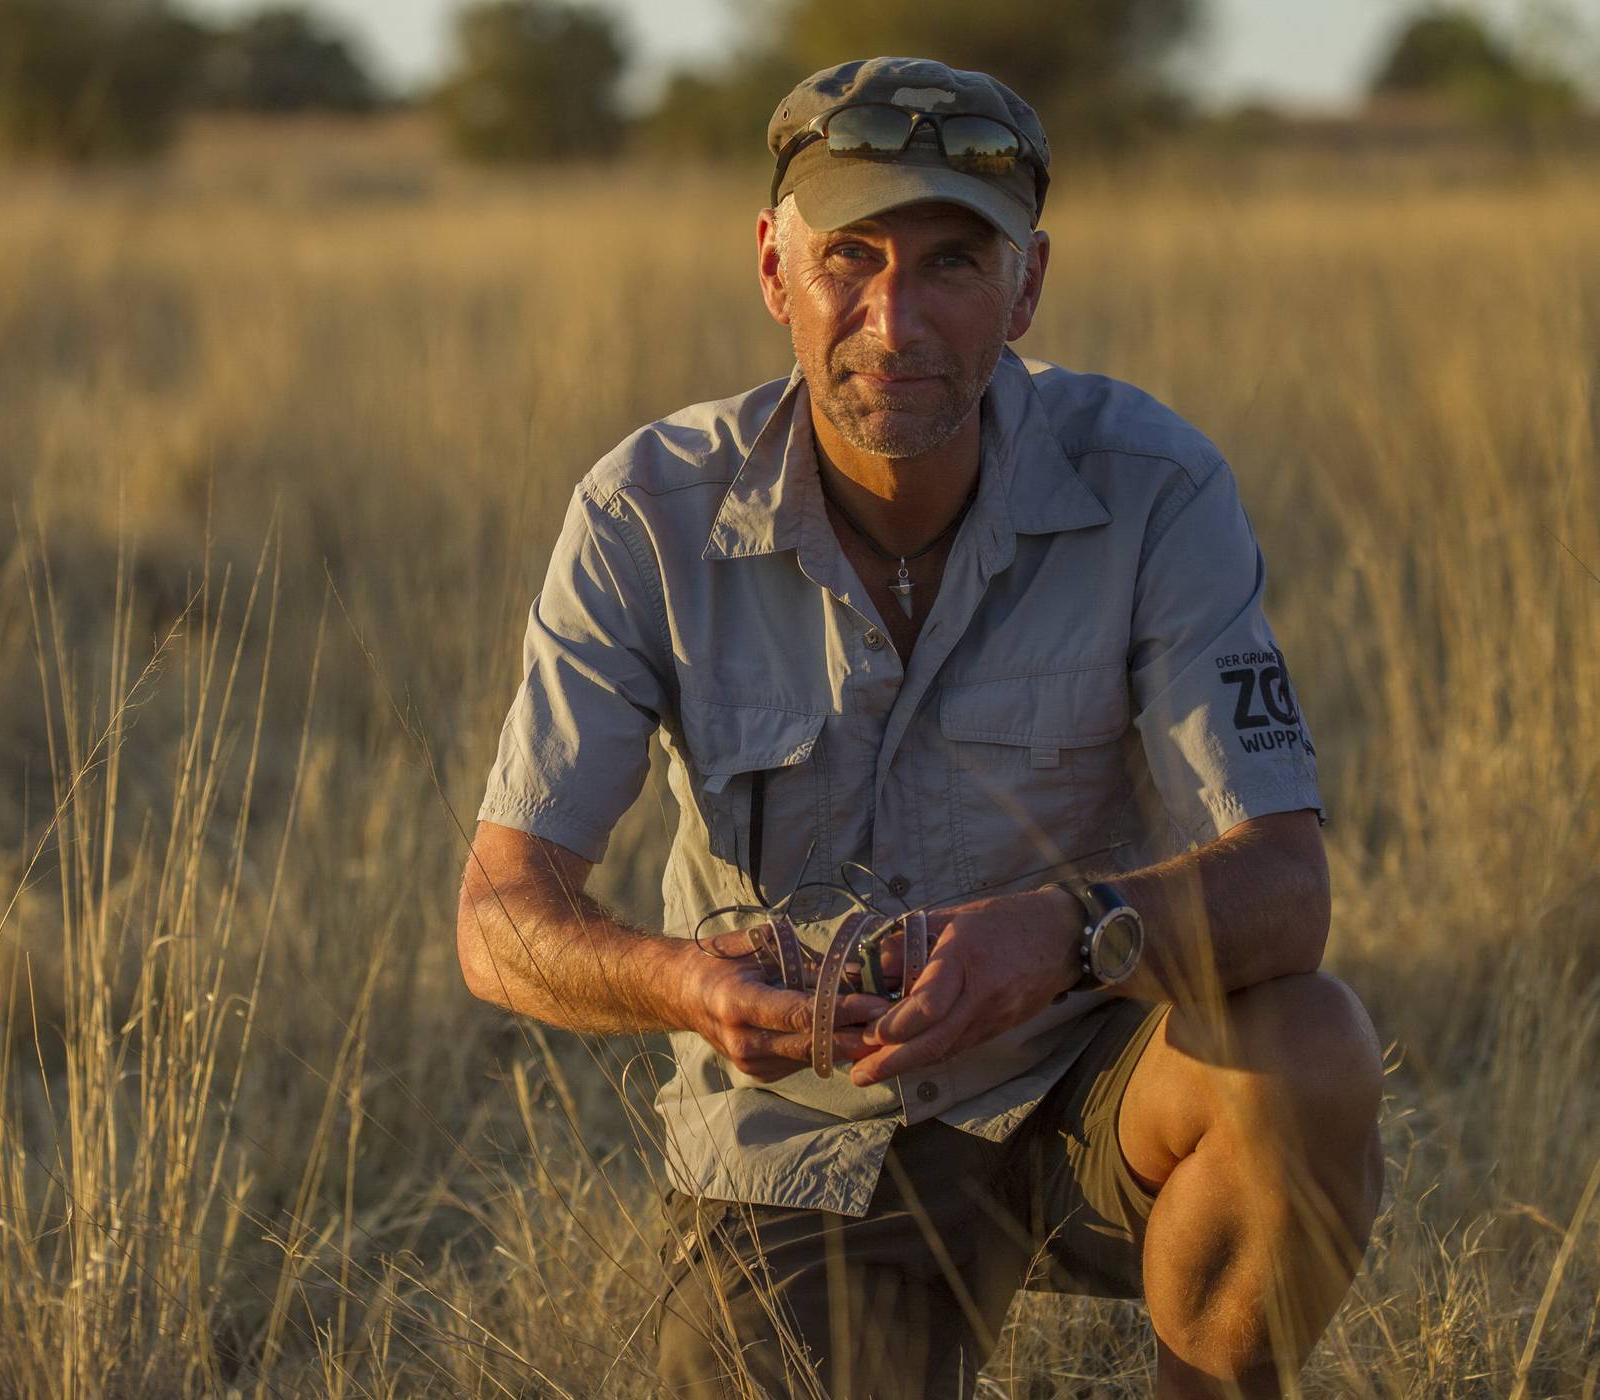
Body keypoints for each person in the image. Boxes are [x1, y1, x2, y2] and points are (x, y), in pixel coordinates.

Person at [454, 56, 1384, 1400]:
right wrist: (691, 986)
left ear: (1028, 286)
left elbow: (1288, 894)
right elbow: (499, 915)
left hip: (1082, 1081)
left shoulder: (1155, 487)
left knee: (1309, 1050)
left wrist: (1068, 937)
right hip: (800, 1144)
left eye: (955, 261)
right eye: (851, 256)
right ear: (773, 270)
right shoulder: (643, 515)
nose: (895, 320)